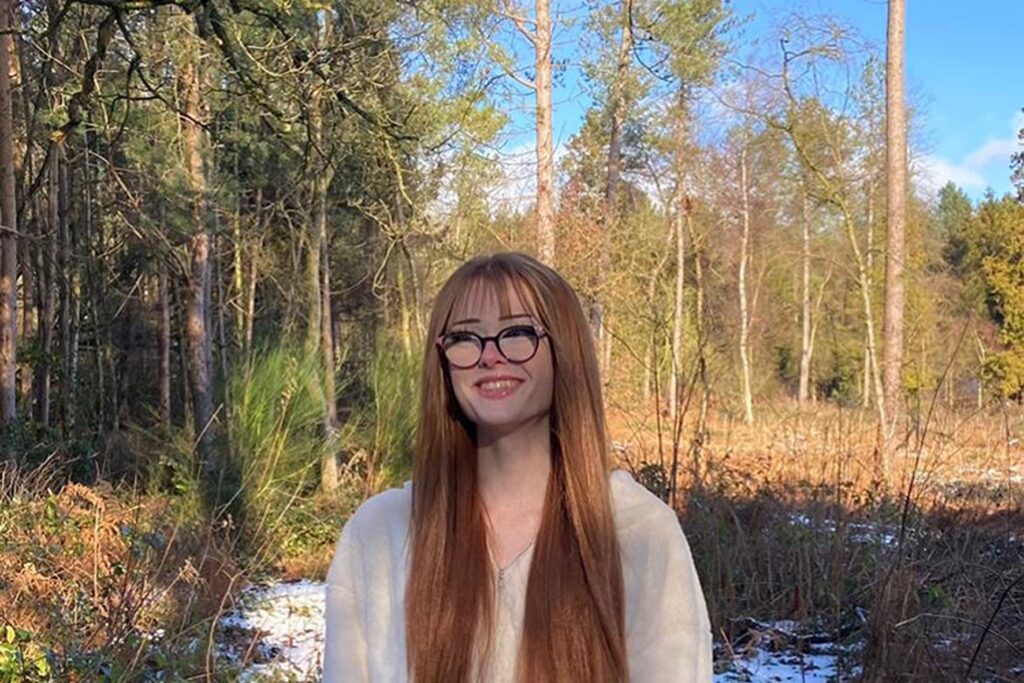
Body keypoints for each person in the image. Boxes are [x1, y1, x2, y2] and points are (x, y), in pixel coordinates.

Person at [323, 252, 711, 683]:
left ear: (564, 350)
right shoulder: (379, 534)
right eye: (466, 338)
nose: (490, 356)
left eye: (518, 332)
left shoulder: (638, 532)